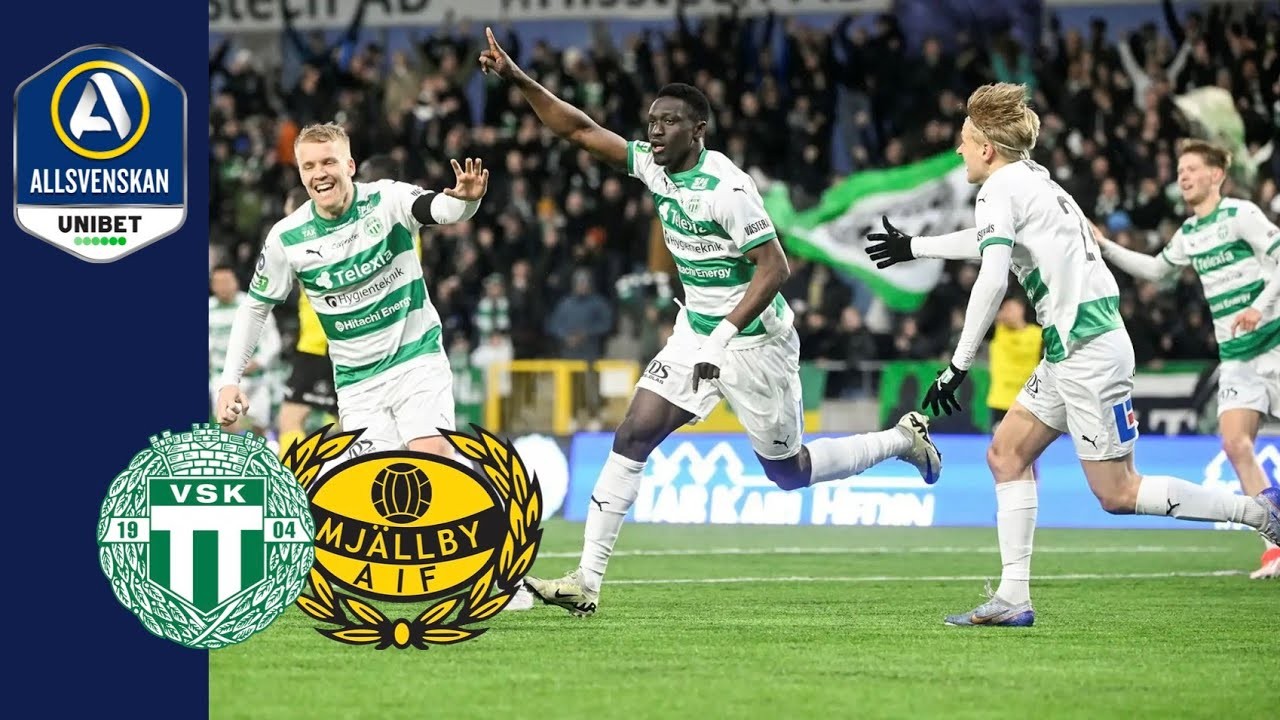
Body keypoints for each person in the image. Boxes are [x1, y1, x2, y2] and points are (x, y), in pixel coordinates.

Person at [479, 27, 943, 617]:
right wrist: (518, 78)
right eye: (652, 121)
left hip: (755, 344)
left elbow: (775, 268)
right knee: (633, 435)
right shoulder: (653, 168)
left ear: (698, 130)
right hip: (695, 331)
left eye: (669, 122)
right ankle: (585, 581)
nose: (655, 131)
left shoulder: (727, 189)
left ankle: (901, 440)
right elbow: (578, 130)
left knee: (788, 472)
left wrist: (722, 338)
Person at [864, 83, 1280, 626]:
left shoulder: (998, 188)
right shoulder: (1035, 179)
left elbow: (992, 278)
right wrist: (915, 247)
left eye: (964, 140)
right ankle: (1013, 599)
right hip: (1075, 348)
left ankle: (1260, 513)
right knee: (1006, 454)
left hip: (1088, 352)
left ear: (987, 148)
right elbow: (991, 241)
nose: (959, 150)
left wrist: (958, 365)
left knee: (1118, 492)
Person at [214, 122, 488, 464]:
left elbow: (443, 209)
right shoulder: (287, 237)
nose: (319, 173)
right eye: (308, 166)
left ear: (350, 165)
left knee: (431, 458)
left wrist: (467, 201)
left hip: (416, 360)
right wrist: (229, 381)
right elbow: (255, 308)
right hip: (357, 383)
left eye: (328, 162)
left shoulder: (388, 198)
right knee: (376, 483)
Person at [1091, 138, 1280, 579]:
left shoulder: (1241, 215)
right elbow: (1157, 270)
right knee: (1235, 444)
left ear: (1217, 175)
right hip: (1236, 358)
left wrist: (1260, 307)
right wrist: (1106, 246)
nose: (1183, 176)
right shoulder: (1191, 233)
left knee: (1238, 443)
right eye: (1179, 171)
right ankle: (1275, 544)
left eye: (1192, 168)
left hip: (1274, 341)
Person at [274, 154, 407, 460]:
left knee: (292, 418)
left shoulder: (341, 229)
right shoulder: (400, 221)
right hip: (367, 340)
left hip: (323, 341)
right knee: (355, 425)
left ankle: (294, 481)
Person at [210, 263, 282, 438]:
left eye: (226, 281)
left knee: (260, 429)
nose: (223, 287)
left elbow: (273, 341)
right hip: (222, 378)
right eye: (218, 282)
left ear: (236, 282)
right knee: (227, 423)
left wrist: (259, 362)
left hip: (256, 378)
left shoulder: (253, 305)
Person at [987, 294, 1043, 481]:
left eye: (1012, 308)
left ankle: (1031, 493)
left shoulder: (1037, 335)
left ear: (1021, 309)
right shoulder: (997, 331)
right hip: (1000, 403)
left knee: (1028, 457)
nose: (1008, 313)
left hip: (1028, 403)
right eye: (1004, 309)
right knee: (1001, 457)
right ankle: (1006, 495)